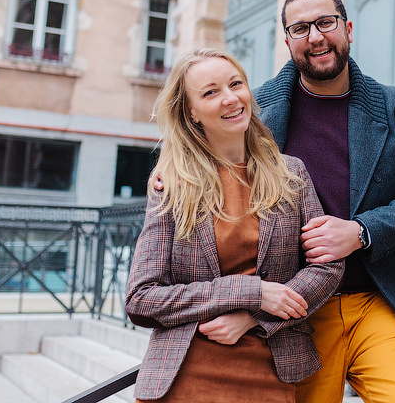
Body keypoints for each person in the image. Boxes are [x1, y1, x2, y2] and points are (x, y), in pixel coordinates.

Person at [253, 0, 395, 403]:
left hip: (380, 300)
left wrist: (361, 231)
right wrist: (169, 175)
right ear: (287, 41)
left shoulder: (393, 105)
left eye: (326, 22)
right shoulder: (256, 111)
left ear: (348, 29)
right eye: (301, 28)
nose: (316, 37)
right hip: (297, 310)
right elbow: (202, 154)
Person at [126, 47, 344, 402]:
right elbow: (141, 299)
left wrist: (254, 317)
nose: (230, 99)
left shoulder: (292, 174)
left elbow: (327, 268)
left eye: (235, 84)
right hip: (186, 369)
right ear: (191, 112)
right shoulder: (174, 185)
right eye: (211, 92)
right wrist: (249, 292)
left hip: (272, 367)